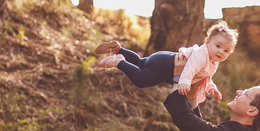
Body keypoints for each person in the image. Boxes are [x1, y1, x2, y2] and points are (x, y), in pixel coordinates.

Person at [96, 21, 237, 105]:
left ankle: (118, 49)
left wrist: (211, 88)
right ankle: (119, 62)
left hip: (163, 58)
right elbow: (191, 68)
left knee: (140, 63)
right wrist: (184, 82)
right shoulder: (202, 54)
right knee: (141, 81)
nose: (221, 52)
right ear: (207, 42)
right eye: (218, 46)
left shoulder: (213, 62)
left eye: (226, 51)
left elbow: (205, 76)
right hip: (166, 66)